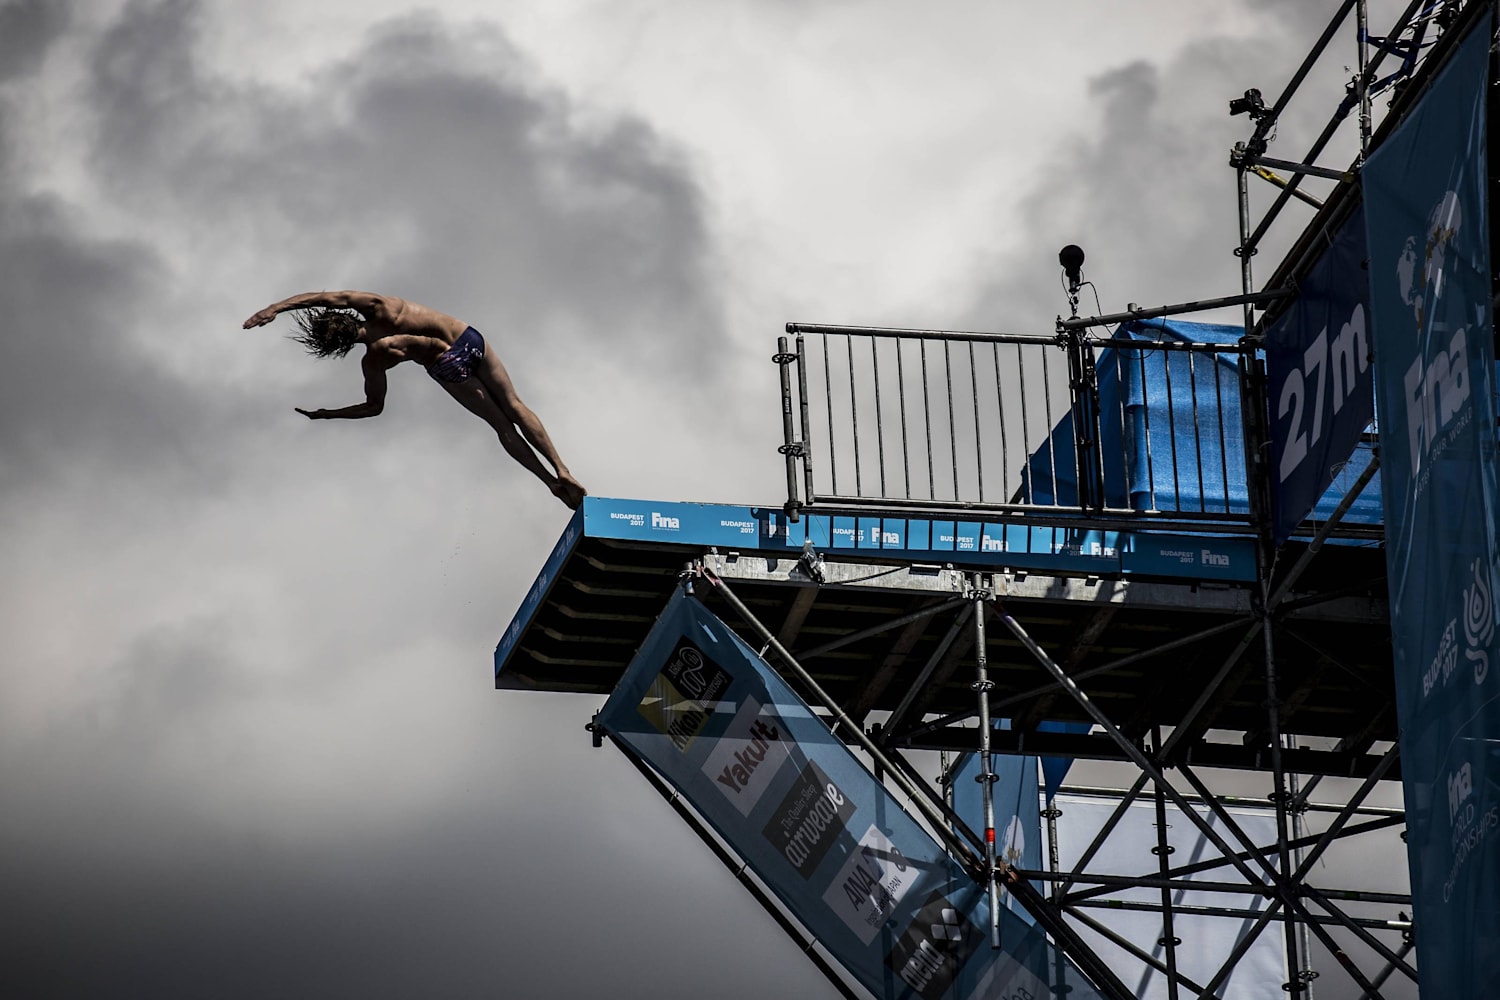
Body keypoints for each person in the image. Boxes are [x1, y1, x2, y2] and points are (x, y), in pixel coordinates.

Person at [244, 291, 586, 509]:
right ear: (348, 317)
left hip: (448, 367)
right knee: (514, 405)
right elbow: (326, 297)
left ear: (340, 347)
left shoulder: (374, 359)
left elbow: (373, 407)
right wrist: (277, 307)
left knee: (501, 426)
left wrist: (328, 414)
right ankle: (563, 468)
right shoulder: (383, 307)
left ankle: (551, 484)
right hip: (465, 337)